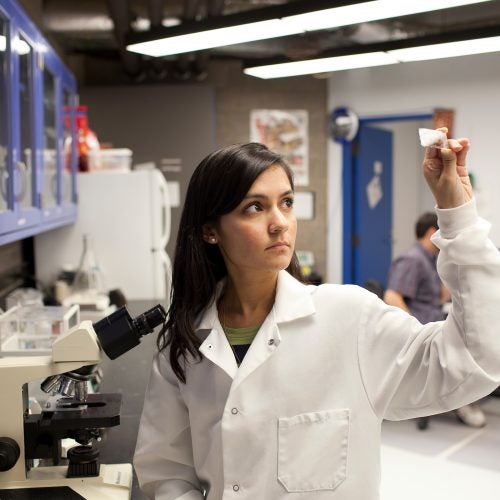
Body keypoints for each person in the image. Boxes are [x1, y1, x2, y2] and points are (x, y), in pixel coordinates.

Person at [133, 134, 500, 500]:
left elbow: (474, 360)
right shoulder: (183, 343)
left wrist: (459, 218)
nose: (280, 223)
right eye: (254, 208)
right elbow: (166, 469)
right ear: (210, 230)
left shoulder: (349, 317)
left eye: (286, 203)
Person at [384, 212, 487, 428]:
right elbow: (392, 297)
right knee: (466, 350)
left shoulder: (431, 260)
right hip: (423, 327)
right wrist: (413, 331)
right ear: (432, 233)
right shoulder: (412, 259)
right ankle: (463, 402)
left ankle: (462, 398)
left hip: (436, 320)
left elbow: (439, 297)